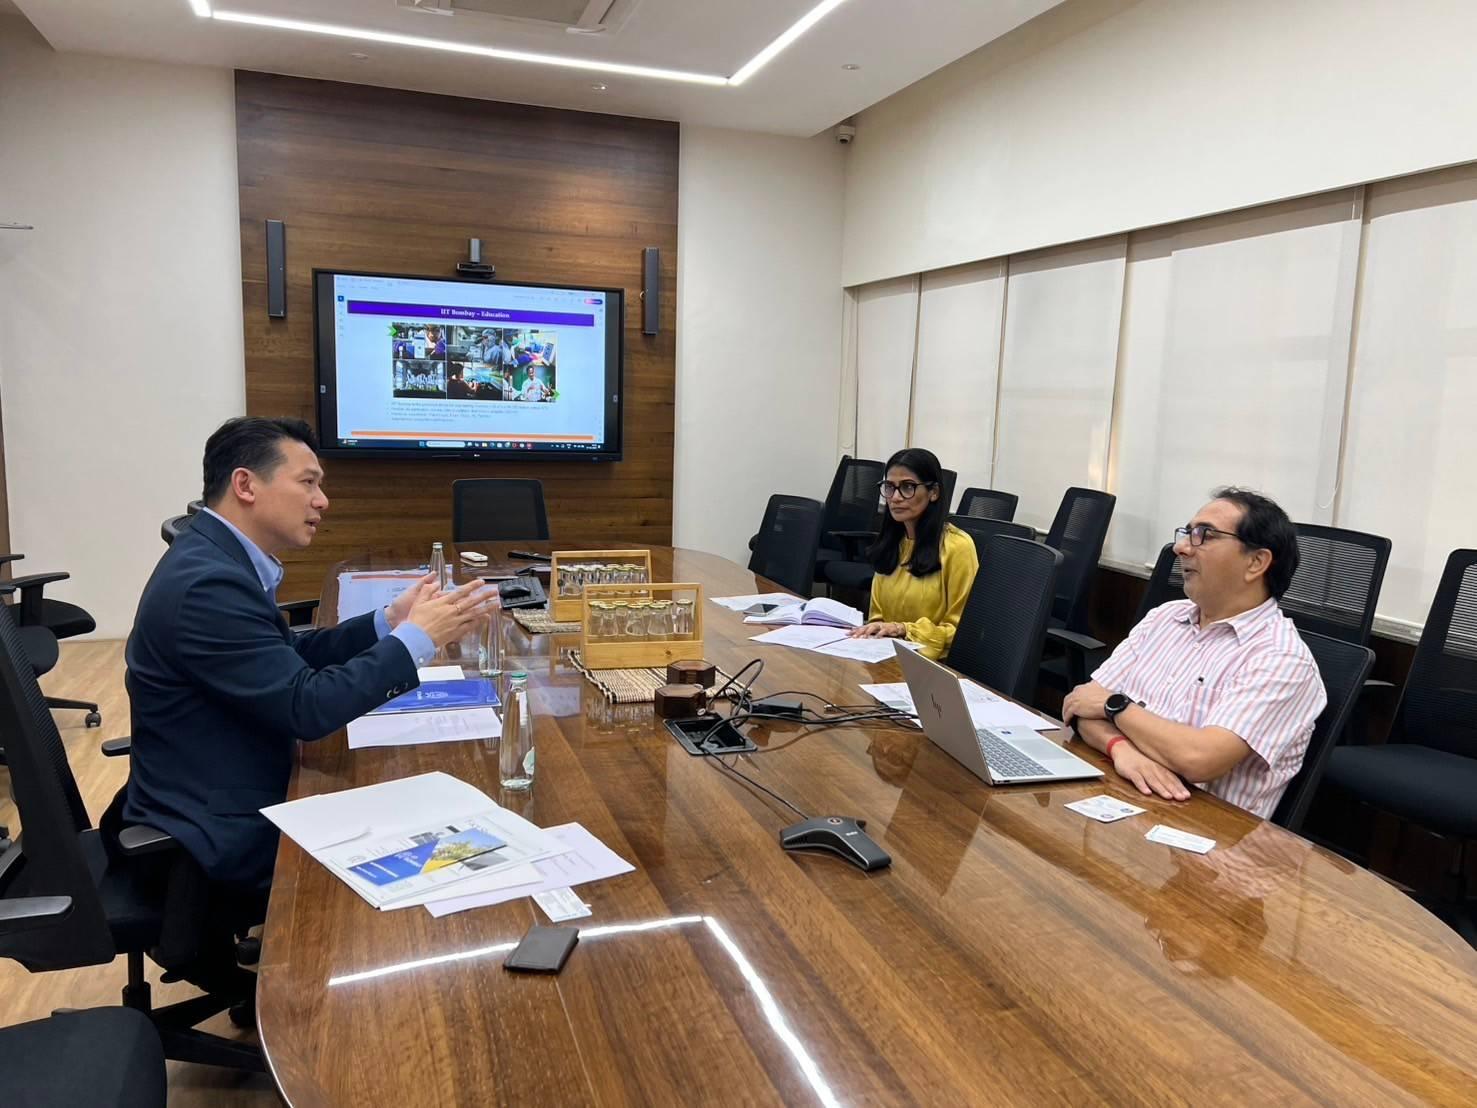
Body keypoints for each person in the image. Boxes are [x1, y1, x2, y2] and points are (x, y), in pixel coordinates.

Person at [114, 417, 492, 899]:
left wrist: (388, 622)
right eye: (308, 482)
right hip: (222, 829)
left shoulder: (214, 557)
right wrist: (415, 640)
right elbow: (307, 707)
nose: (322, 500)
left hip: (226, 784)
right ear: (245, 485)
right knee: (453, 840)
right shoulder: (208, 585)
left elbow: (287, 658)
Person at [1062, 487, 1326, 817]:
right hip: (1120, 792)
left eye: (1205, 535)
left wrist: (1113, 706)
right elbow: (1081, 705)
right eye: (1187, 533)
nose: (1181, 547)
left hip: (1202, 830)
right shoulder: (1165, 617)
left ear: (1256, 562)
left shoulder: (1281, 658)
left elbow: (1200, 759)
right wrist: (1121, 749)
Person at [846, 447, 978, 660]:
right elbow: (877, 617)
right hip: (885, 655)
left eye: (908, 487)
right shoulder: (891, 543)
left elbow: (961, 631)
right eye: (890, 487)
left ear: (933, 492)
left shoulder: (957, 546)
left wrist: (903, 629)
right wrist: (874, 630)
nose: (895, 497)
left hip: (933, 664)